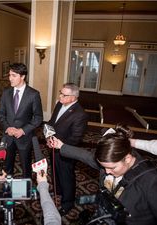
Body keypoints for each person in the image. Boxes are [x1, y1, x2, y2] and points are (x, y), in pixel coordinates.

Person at [48, 124, 157, 225]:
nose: (106, 171)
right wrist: (61, 146)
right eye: (103, 166)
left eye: (111, 168)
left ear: (128, 159)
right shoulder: (109, 162)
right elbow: (86, 156)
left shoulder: (151, 181)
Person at [46, 82, 88, 215]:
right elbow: (52, 123)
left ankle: (68, 202)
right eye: (60, 92)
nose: (60, 96)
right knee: (55, 171)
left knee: (66, 176)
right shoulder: (60, 104)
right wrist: (48, 137)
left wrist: (59, 145)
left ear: (73, 97)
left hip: (66, 151)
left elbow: (76, 138)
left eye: (64, 95)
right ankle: (58, 190)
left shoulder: (80, 114)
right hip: (53, 146)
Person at [0, 63, 43, 178]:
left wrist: (23, 130)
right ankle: (8, 187)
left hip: (25, 138)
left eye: (13, 75)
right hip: (8, 137)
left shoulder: (33, 94)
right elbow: (1, 113)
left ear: (22, 76)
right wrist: (7, 127)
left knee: (26, 168)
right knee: (7, 167)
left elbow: (38, 118)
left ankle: (25, 193)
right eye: (9, 75)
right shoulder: (6, 92)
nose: (10, 78)